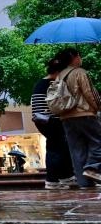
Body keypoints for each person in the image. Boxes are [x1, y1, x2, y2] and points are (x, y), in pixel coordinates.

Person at [52, 48, 101, 187]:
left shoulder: (60, 75)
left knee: (77, 150)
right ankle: (93, 167)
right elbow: (90, 94)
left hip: (66, 117)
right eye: (79, 55)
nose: (81, 58)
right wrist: (97, 107)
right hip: (84, 114)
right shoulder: (80, 72)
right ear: (74, 58)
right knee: (98, 141)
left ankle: (84, 183)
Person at [31, 58, 76, 190]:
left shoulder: (40, 83)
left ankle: (63, 177)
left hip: (41, 120)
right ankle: (53, 180)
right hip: (52, 120)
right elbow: (59, 104)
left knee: (58, 147)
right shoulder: (54, 83)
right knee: (56, 149)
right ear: (59, 71)